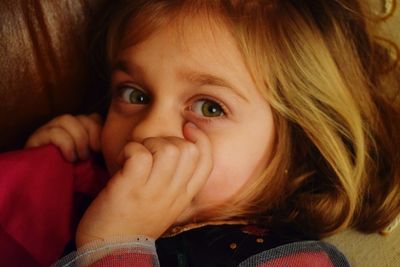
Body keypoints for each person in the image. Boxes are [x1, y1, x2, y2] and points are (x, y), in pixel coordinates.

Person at [23, 0, 400, 266]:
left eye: (209, 107)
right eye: (134, 95)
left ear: (300, 141)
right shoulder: (92, 186)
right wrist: (43, 178)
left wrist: (112, 248)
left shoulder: (293, 261)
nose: (146, 129)